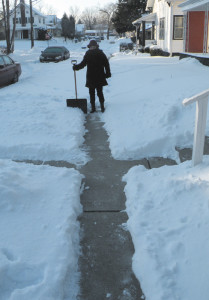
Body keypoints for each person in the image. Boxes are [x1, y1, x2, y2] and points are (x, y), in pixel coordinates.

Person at [73, 39, 111, 113]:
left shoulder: (90, 53)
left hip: (92, 76)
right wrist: (107, 73)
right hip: (98, 76)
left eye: (93, 46)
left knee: (94, 92)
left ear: (95, 46)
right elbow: (106, 64)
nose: (92, 48)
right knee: (97, 92)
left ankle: (97, 108)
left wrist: (76, 67)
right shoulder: (100, 53)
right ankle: (99, 107)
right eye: (91, 47)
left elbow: (106, 64)